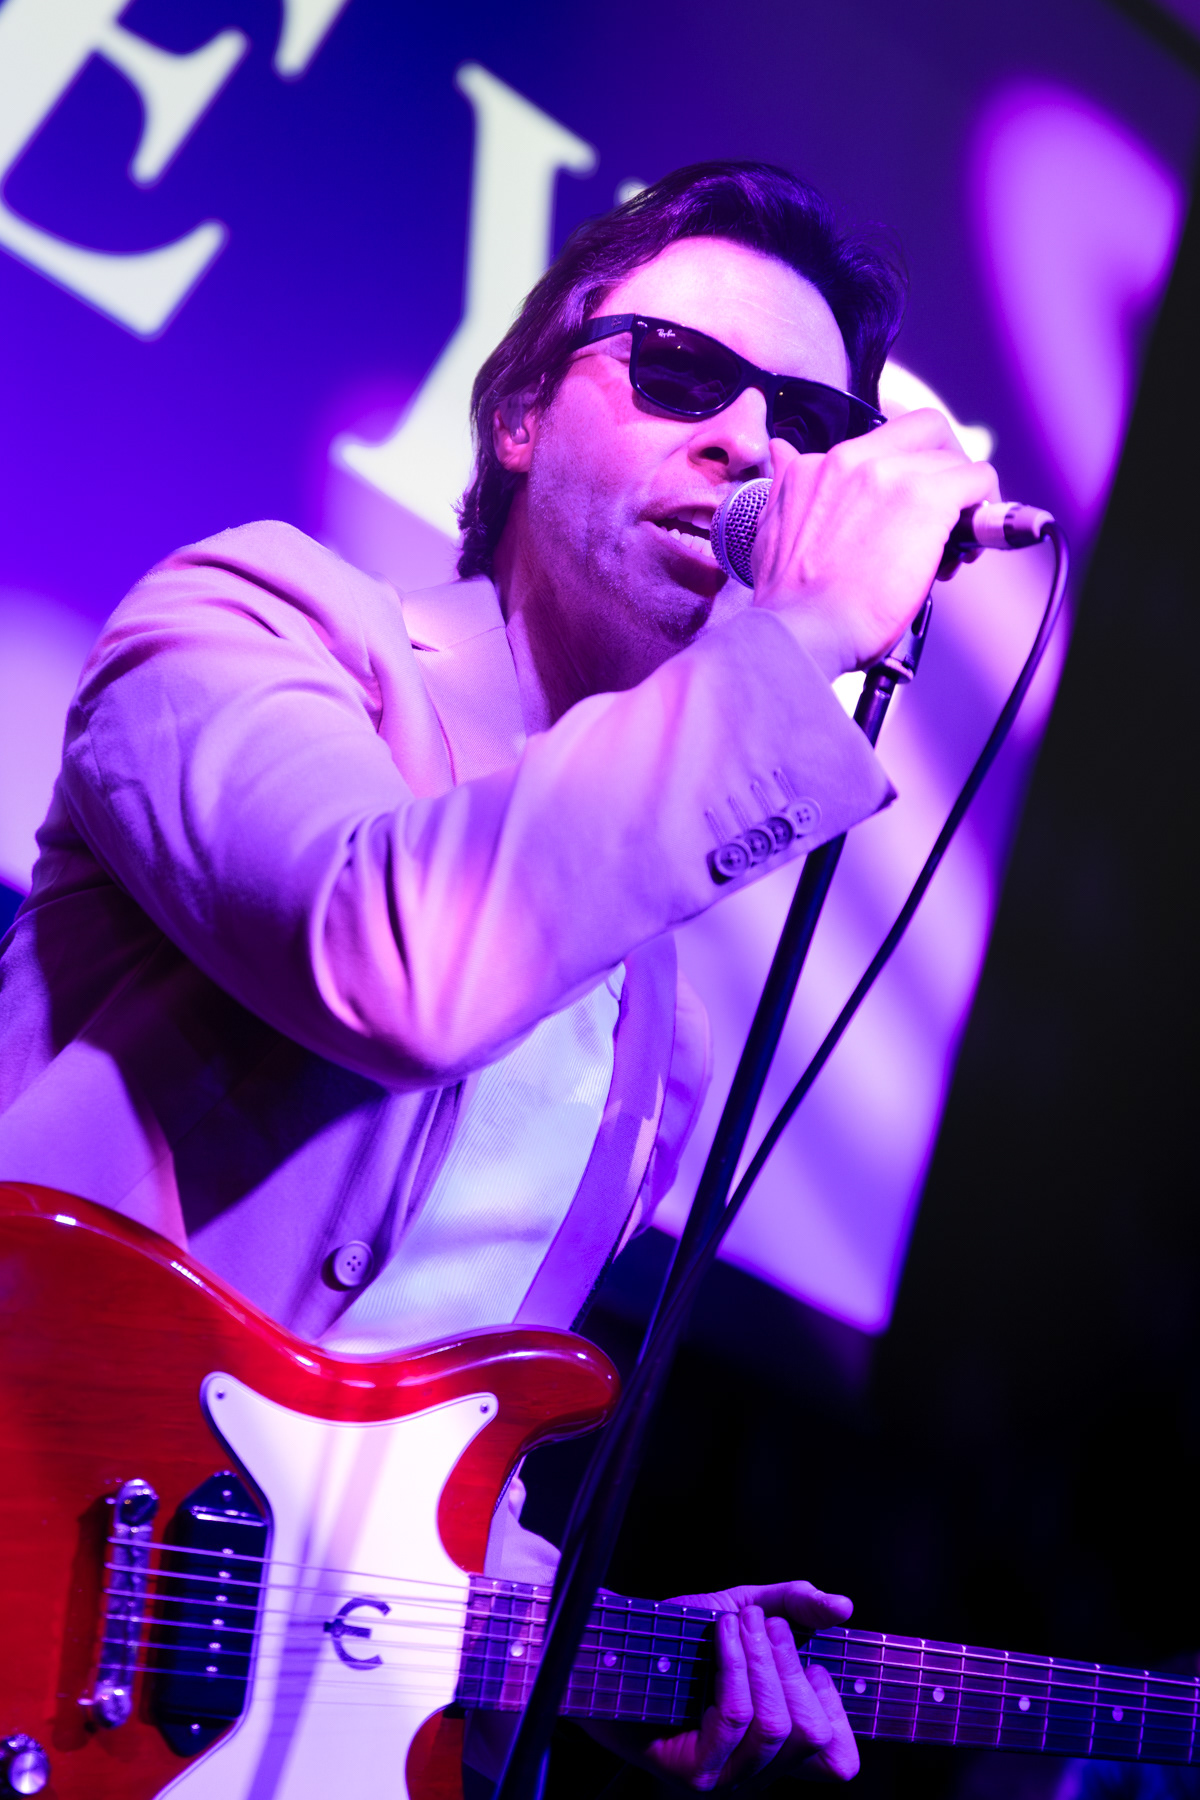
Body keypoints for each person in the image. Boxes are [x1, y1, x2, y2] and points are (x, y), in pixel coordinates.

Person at [0, 161, 997, 1788]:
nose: (751, 446)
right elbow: (391, 960)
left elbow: (409, 1465)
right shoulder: (256, 626)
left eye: (809, 426)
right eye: (681, 374)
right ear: (523, 413)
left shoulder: (653, 1019)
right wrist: (796, 641)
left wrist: (604, 1650)